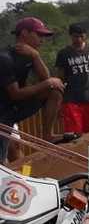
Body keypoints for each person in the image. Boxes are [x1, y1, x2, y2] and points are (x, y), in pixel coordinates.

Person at [0, 17, 65, 162]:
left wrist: (36, 56)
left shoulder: (30, 54)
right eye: (39, 35)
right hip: (3, 112)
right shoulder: (5, 59)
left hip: (12, 108)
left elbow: (45, 77)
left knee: (54, 90)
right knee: (3, 157)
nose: (42, 39)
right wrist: (48, 82)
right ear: (24, 33)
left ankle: (48, 135)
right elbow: (15, 94)